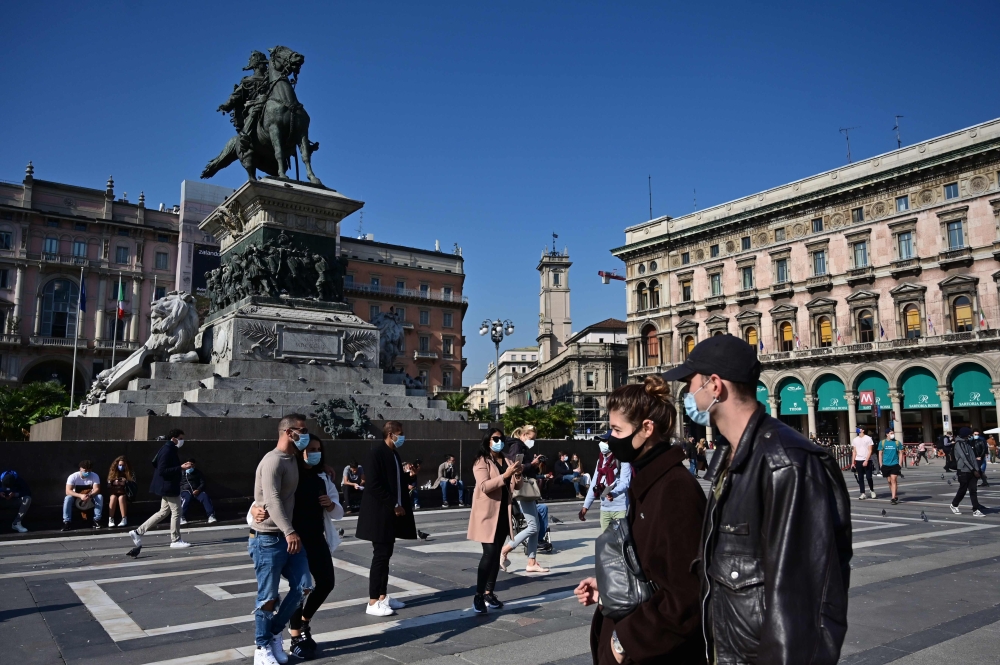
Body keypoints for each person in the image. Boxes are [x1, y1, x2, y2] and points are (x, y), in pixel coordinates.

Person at [666, 334, 852, 664]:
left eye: (690, 382)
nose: (687, 394)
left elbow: (803, 602)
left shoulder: (786, 463)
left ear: (715, 385)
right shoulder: (731, 457)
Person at [574, 375, 707, 663]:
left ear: (647, 428)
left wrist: (624, 644)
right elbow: (648, 567)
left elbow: (685, 596)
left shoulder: (674, 489)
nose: (611, 439)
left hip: (655, 653)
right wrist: (611, 587)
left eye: (617, 430)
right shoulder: (648, 481)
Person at [251, 435, 343, 660]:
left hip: (315, 537)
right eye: (311, 449)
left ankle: (303, 623)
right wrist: (253, 512)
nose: (314, 452)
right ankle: (294, 635)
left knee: (324, 583)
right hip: (290, 538)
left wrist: (330, 504)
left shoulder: (323, 476)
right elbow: (265, 499)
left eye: (318, 449)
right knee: (299, 587)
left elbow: (338, 511)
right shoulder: (288, 471)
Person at [247, 414, 312, 665]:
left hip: (286, 536)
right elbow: (271, 499)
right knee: (268, 596)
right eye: (302, 430)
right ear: (288, 432)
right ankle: (261, 647)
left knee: (304, 585)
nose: (304, 434)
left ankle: (273, 633)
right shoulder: (273, 460)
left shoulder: (293, 458)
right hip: (268, 538)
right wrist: (289, 531)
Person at [356, 421, 418, 617]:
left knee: (386, 556)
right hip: (379, 514)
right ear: (390, 434)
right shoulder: (376, 454)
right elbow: (373, 485)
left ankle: (382, 596)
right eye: (400, 433)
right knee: (380, 557)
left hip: (390, 514)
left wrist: (410, 477)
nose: (402, 437)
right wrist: (394, 504)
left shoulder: (393, 454)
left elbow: (395, 482)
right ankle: (373, 600)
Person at [467, 428, 522, 613]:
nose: (499, 441)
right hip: (487, 514)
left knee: (497, 552)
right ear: (487, 440)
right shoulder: (481, 461)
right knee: (489, 553)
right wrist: (505, 475)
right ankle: (478, 595)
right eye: (495, 438)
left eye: (501, 438)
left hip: (502, 514)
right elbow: (484, 486)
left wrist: (517, 474)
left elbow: (515, 486)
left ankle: (489, 592)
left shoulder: (506, 459)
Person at [128, 430, 190, 553]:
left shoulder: (167, 448)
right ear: (174, 438)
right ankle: (175, 540)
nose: (182, 440)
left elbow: (156, 464)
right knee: (177, 511)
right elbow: (162, 470)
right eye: (181, 438)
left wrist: (180, 467)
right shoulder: (168, 450)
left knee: (163, 512)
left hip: (166, 486)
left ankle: (138, 532)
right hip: (169, 486)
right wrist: (180, 468)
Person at [505, 425, 552, 554]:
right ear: (524, 435)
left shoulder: (522, 447)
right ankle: (506, 549)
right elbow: (515, 468)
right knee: (533, 527)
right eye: (531, 438)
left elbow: (526, 468)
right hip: (522, 490)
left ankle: (532, 561)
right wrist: (531, 464)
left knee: (534, 526)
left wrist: (535, 464)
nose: (533, 441)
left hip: (526, 489)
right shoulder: (517, 446)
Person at [578, 435, 632, 531]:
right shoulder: (600, 461)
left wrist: (613, 493)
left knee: (621, 541)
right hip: (605, 509)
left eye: (604, 441)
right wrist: (585, 506)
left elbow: (625, 483)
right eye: (601, 440)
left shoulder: (623, 460)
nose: (601, 443)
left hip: (620, 508)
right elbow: (594, 484)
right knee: (606, 542)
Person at [951, 426, 987, 516]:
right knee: (962, 490)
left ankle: (976, 509)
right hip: (963, 470)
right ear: (964, 435)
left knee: (973, 490)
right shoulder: (958, 444)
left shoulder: (967, 443)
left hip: (972, 470)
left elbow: (972, 458)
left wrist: (977, 469)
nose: (970, 436)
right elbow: (964, 458)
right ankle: (954, 504)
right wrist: (973, 469)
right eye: (969, 435)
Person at [63, 460, 103, 531]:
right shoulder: (73, 476)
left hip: (90, 497)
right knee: (68, 498)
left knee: (99, 497)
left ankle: (96, 520)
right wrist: (80, 496)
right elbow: (68, 491)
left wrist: (90, 496)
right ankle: (67, 522)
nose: (87, 472)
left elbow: (97, 489)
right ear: (80, 469)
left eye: (89, 470)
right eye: (85, 470)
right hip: (76, 498)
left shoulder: (95, 476)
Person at [180, 458, 217, 525]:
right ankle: (181, 516)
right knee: (186, 498)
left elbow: (202, 483)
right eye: (188, 464)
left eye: (191, 464)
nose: (189, 466)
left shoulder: (197, 472)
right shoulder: (181, 472)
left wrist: (198, 489)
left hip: (196, 491)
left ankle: (211, 515)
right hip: (185, 490)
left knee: (205, 496)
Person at [106, 456, 134, 528]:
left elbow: (133, 484)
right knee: (113, 498)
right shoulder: (113, 472)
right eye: (120, 465)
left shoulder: (129, 472)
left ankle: (124, 518)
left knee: (121, 498)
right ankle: (111, 519)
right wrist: (113, 482)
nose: (121, 467)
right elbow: (108, 484)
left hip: (125, 493)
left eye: (123, 465)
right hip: (115, 491)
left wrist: (125, 482)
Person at [879, 427, 903, 504]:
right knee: (889, 481)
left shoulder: (897, 443)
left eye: (893, 433)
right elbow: (880, 453)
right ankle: (894, 494)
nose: (893, 435)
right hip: (886, 464)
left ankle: (893, 498)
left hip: (895, 464)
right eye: (891, 433)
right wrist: (881, 464)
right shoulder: (882, 443)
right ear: (887, 434)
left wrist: (900, 464)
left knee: (893, 480)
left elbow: (901, 453)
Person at [851, 426, 876, 500]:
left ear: (863, 430)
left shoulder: (868, 438)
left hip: (867, 460)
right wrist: (853, 462)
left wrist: (866, 460)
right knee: (860, 477)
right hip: (858, 460)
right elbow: (854, 451)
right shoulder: (855, 440)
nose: (857, 429)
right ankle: (863, 493)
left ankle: (872, 490)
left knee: (869, 477)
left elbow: (870, 450)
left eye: (859, 428)